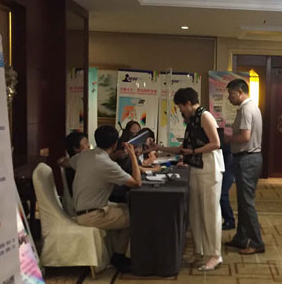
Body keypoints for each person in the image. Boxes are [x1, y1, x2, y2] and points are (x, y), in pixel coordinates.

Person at [155, 87, 224, 271]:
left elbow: (216, 143)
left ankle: (214, 254)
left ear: (187, 103)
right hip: (196, 168)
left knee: (209, 213)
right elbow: (182, 149)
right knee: (196, 213)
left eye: (180, 106)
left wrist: (193, 151)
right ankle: (199, 251)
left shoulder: (205, 116)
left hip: (209, 169)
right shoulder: (193, 119)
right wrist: (158, 148)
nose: (180, 111)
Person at [69, 124, 141, 268]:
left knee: (127, 207)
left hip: (82, 210)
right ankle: (120, 257)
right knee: (137, 216)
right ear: (115, 144)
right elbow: (136, 183)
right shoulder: (107, 164)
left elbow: (68, 162)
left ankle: (117, 252)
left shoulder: (84, 155)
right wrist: (133, 155)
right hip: (93, 215)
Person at [224, 78, 265, 254]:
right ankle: (241, 238)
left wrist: (229, 138)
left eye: (231, 94)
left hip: (247, 159)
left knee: (247, 203)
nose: (229, 98)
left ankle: (256, 243)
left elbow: (245, 136)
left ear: (240, 92)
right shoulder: (251, 107)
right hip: (250, 158)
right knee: (243, 201)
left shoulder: (246, 109)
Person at [63, 130, 89, 196]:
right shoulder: (79, 165)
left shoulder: (69, 163)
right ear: (76, 148)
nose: (88, 146)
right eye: (86, 143)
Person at [220, 137, 236, 230]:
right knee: (221, 193)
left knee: (222, 193)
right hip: (225, 158)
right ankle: (228, 219)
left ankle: (229, 220)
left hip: (229, 159)